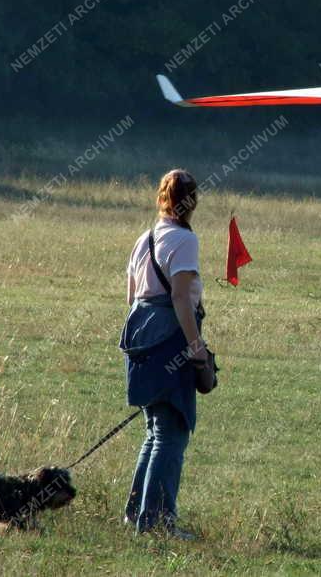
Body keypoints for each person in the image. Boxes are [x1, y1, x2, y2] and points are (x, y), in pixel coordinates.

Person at [119, 169, 208, 540]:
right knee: (172, 433)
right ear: (192, 202)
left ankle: (137, 514)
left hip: (140, 337)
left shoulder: (145, 237)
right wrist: (195, 346)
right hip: (169, 338)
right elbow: (179, 298)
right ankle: (156, 522)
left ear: (162, 197)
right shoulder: (184, 240)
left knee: (155, 432)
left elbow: (131, 295)